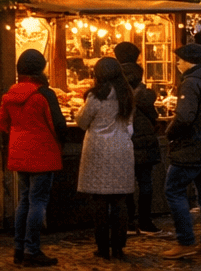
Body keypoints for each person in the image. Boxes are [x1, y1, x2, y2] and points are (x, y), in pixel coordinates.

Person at [0, 49, 66, 267]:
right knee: (38, 202)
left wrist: (19, 132)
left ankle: (19, 248)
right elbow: (58, 126)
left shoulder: (10, 93)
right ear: (41, 68)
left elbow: (1, 123)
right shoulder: (44, 94)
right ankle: (31, 250)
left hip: (19, 151)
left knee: (24, 200)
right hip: (42, 152)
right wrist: (58, 142)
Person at [162, 43, 201, 259]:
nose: (177, 63)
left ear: (187, 60)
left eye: (179, 60)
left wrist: (170, 132)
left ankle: (186, 240)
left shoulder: (190, 83)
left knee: (174, 190)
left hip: (190, 148)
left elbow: (185, 117)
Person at [77, 57, 135, 260]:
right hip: (121, 147)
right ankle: (119, 246)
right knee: (120, 200)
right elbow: (129, 123)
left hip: (98, 149)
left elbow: (83, 121)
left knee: (99, 201)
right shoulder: (126, 94)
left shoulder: (96, 97)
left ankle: (103, 247)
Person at [114, 42, 161, 234]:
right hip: (145, 138)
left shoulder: (115, 85)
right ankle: (145, 221)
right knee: (145, 182)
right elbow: (153, 113)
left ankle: (128, 222)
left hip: (123, 137)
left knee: (125, 182)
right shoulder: (142, 88)